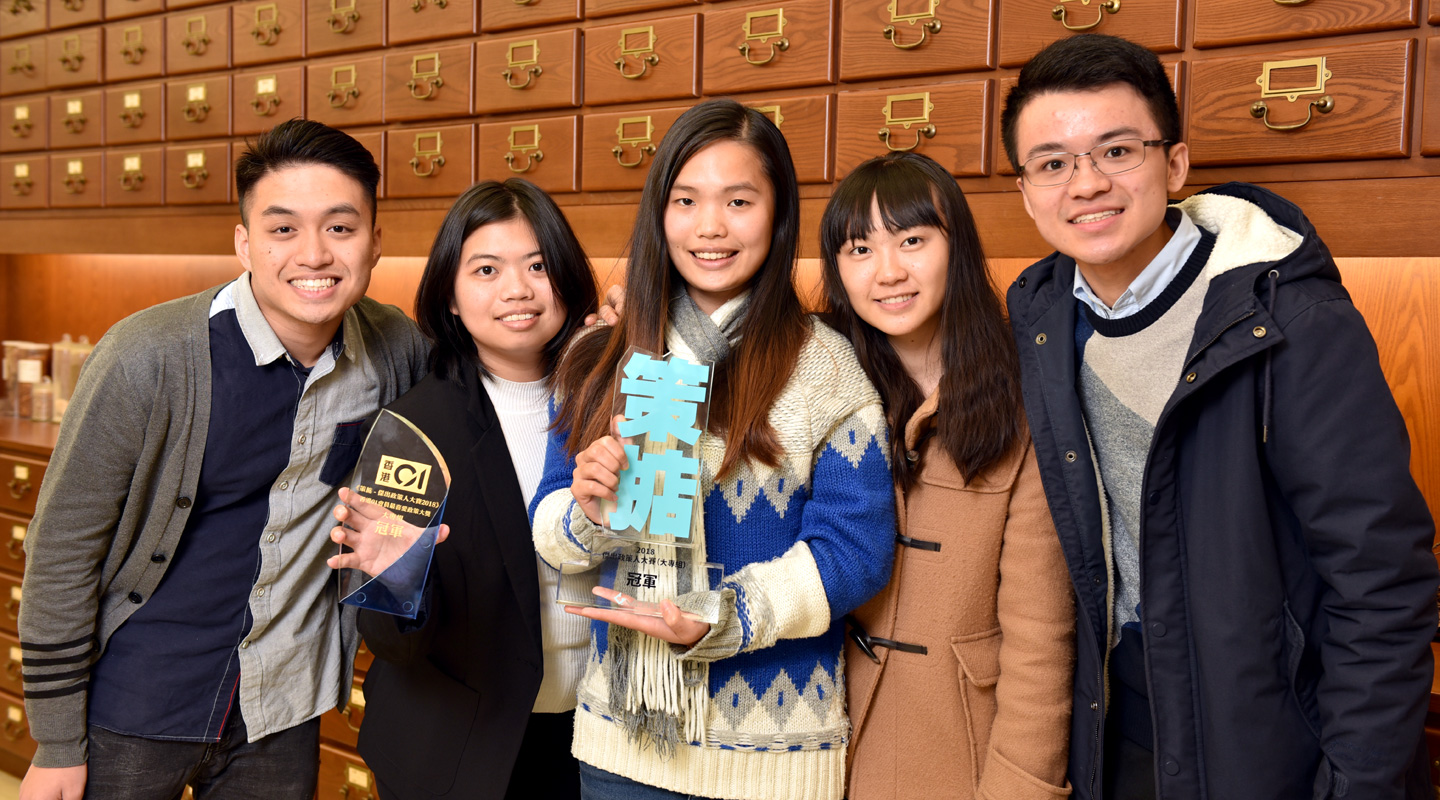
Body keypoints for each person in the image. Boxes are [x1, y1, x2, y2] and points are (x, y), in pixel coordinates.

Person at [1000, 33, 1438, 800]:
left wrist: (1359, 784)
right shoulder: (1037, 319)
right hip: (1111, 730)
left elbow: (1383, 583)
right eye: (1053, 163)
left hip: (1266, 743)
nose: (1086, 184)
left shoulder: (1289, 319)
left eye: (1117, 151)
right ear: (1028, 191)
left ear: (1173, 163)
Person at [16, 118, 429, 800]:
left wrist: (592, 346)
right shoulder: (147, 358)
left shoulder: (394, 348)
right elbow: (61, 550)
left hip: (280, 711)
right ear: (244, 243)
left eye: (340, 228)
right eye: (283, 229)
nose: (315, 254)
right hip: (135, 706)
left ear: (376, 242)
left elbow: (480, 389)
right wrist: (57, 743)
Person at [529, 98, 897, 800]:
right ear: (658, 214)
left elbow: (855, 550)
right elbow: (550, 529)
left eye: (739, 201)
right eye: (686, 200)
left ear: (779, 213)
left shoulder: (826, 368)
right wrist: (590, 512)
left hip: (776, 753)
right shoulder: (600, 359)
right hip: (622, 746)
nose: (710, 227)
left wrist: (725, 616)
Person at [327, 178, 598, 799]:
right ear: (450, 295)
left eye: (537, 265)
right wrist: (398, 583)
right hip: (463, 753)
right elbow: (389, 641)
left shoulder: (611, 401)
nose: (517, 290)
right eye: (486, 269)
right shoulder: (414, 430)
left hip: (595, 740)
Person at [820, 151, 1074, 800]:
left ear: (955, 248)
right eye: (859, 249)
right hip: (811, 740)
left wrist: (1020, 788)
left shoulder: (1024, 400)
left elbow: (1038, 636)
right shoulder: (814, 385)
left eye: (912, 240)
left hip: (957, 746)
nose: (889, 271)